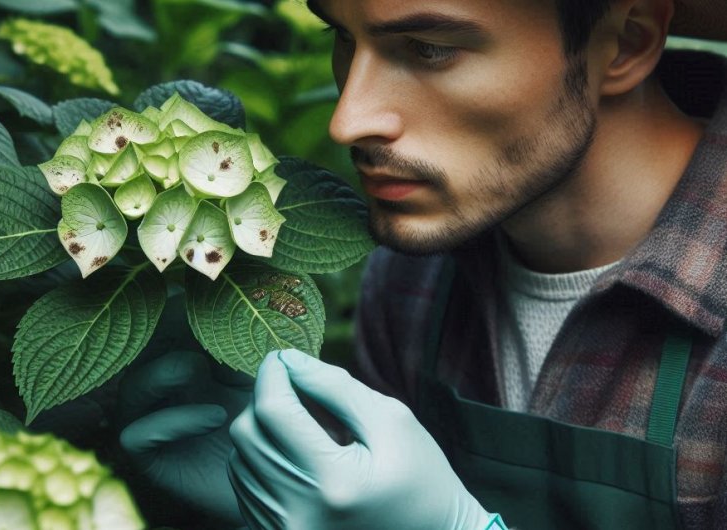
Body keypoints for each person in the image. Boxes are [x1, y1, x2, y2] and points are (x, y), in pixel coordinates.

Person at [119, 0, 727, 528]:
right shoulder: (413, 278)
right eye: (341, 36)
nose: (348, 120)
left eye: (430, 49)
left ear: (626, 42)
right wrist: (285, 481)